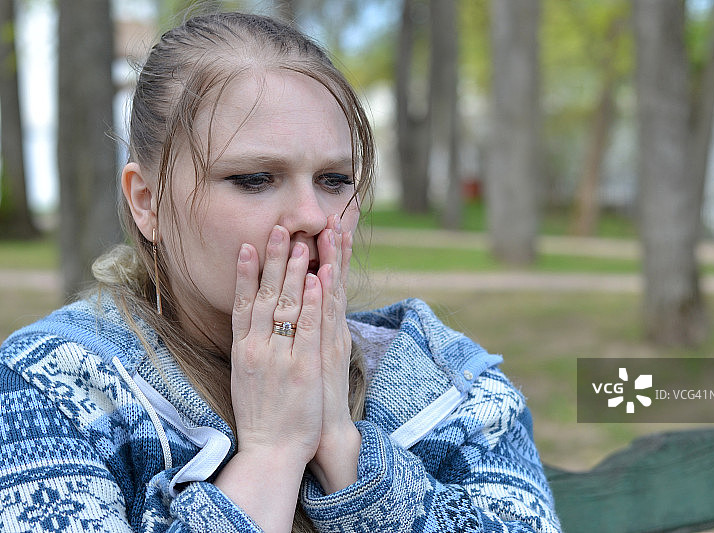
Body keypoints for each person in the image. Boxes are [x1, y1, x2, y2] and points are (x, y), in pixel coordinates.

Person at [0, 12, 561, 533]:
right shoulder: (55, 387)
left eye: (335, 181)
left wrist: (347, 450)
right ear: (147, 201)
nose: (314, 217)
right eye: (255, 178)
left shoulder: (442, 375)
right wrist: (271, 453)